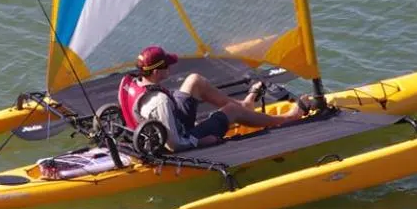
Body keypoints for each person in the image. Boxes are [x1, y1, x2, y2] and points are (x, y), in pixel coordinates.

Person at [125, 45, 308, 151]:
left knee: (194, 80)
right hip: (183, 137)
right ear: (156, 72)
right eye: (167, 67)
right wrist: (200, 141)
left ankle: (245, 105)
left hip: (169, 117)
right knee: (232, 111)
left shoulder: (134, 82)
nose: (170, 69)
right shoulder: (159, 101)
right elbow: (174, 145)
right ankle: (286, 119)